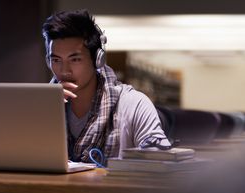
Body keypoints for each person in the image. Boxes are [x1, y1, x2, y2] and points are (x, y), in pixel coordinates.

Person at [42, 9, 171, 166]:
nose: (64, 71)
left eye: (75, 59)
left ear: (98, 60)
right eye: (56, 60)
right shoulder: (41, 107)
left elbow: (160, 164)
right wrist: (44, 112)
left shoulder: (134, 104)